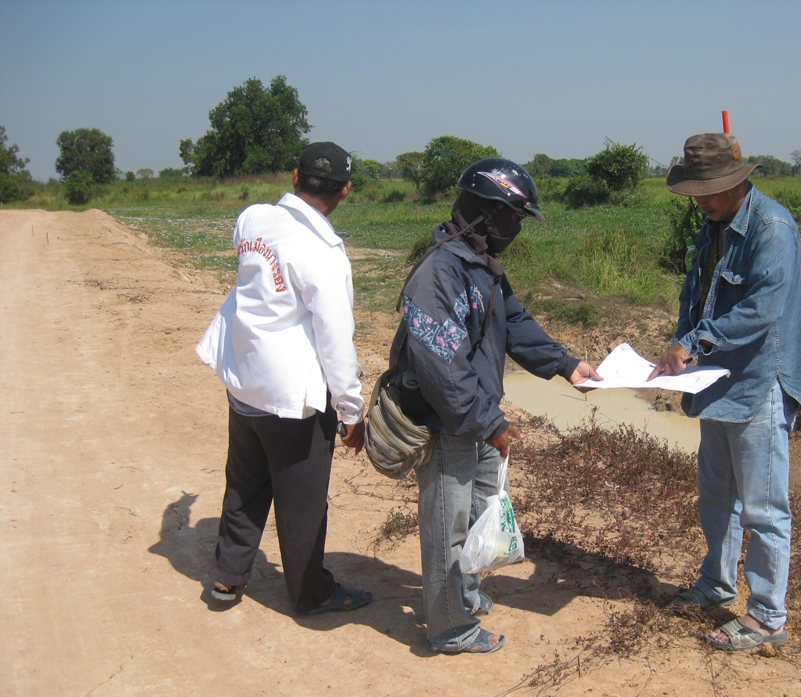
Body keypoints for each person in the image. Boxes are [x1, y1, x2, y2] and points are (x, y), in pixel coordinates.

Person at [386, 158, 602, 654]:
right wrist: (488, 423)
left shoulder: (480, 264)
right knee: (448, 524)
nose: (517, 229)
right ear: (487, 214)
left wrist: (566, 364)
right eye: (515, 218)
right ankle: (448, 628)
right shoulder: (440, 273)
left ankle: (463, 595)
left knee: (478, 513)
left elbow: (514, 321)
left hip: (479, 415)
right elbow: (442, 366)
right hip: (449, 421)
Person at [196, 141, 372, 616]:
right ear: (345, 190)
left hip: (243, 379)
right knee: (302, 504)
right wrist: (351, 411)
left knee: (245, 484)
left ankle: (227, 577)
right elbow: (335, 340)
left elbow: (250, 259)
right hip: (291, 398)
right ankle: (310, 592)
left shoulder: (254, 218)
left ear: (295, 178)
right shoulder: (324, 253)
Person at [648, 133, 801, 651]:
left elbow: (762, 308)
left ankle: (767, 617)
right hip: (715, 380)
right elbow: (696, 295)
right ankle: (716, 583)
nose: (700, 201)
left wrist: (695, 343)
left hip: (758, 382)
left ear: (736, 183)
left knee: (763, 507)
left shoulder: (773, 229)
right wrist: (681, 342)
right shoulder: (712, 227)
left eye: (708, 191)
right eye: (694, 192)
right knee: (717, 494)